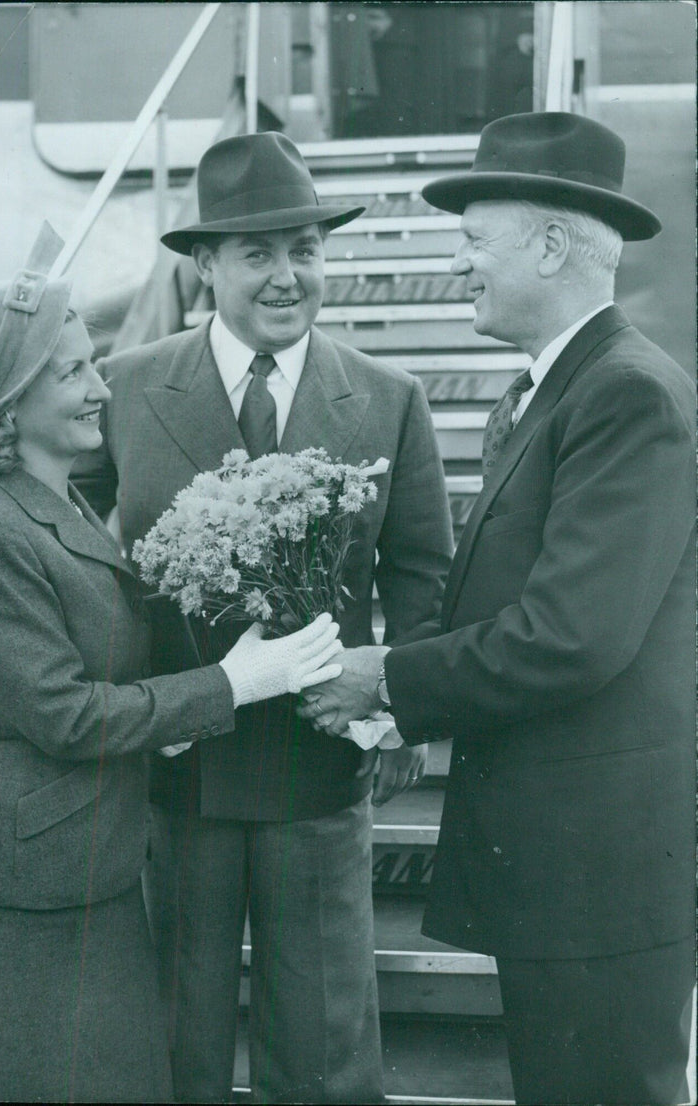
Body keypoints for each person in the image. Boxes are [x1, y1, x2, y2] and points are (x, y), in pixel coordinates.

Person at [300, 112, 696, 1106]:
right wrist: (392, 699)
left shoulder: (623, 395)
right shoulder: (546, 392)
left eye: (474, 240)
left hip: (598, 876)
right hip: (565, 870)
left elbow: (569, 636)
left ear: (552, 244)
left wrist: (384, 677)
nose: (458, 262)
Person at [0, 223, 343, 1103]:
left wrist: (178, 719)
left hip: (83, 864)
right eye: (71, 372)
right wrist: (234, 683)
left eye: (90, 362)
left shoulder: (47, 502)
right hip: (23, 885)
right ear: (10, 400)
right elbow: (65, 715)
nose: (100, 387)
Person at [71, 131, 454, 1103]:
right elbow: (66, 552)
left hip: (318, 776)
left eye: (305, 251)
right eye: (258, 253)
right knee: (171, 1038)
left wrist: (392, 706)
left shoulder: (387, 398)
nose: (287, 276)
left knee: (324, 1049)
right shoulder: (119, 387)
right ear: (206, 265)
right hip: (174, 774)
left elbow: (419, 574)